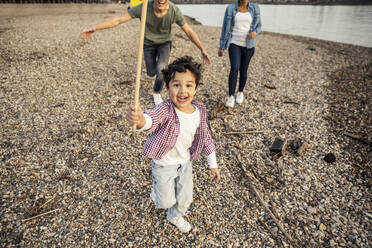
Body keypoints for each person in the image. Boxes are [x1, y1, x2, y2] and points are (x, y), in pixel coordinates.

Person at [127, 56, 220, 233]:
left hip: (184, 163)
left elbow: (206, 138)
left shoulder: (199, 111)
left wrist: (213, 165)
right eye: (176, 85)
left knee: (186, 199)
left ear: (196, 88)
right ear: (168, 87)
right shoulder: (165, 109)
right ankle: (158, 190)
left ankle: (175, 216)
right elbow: (151, 120)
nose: (182, 91)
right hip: (163, 165)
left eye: (188, 85)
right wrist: (140, 120)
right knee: (165, 202)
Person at [82, 0, 211, 106]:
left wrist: (202, 49)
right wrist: (95, 28)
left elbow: (188, 31)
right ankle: (156, 74)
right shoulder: (143, 7)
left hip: (164, 43)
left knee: (161, 69)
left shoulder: (174, 10)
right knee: (151, 72)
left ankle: (156, 92)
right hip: (148, 44)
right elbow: (119, 19)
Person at [218, 0, 261, 108]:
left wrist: (255, 32)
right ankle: (231, 96)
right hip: (234, 43)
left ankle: (240, 92)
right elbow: (225, 28)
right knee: (234, 68)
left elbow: (259, 26)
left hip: (249, 45)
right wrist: (222, 46)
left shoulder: (255, 8)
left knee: (243, 70)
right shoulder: (230, 8)